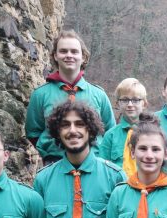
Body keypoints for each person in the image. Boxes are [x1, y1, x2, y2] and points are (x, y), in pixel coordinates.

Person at [26, 30, 115, 164]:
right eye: (63, 51)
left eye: (74, 51)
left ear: (83, 57)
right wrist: (49, 150)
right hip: (54, 162)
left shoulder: (99, 95)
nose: (69, 55)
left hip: (94, 163)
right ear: (55, 56)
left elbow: (110, 132)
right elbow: (33, 132)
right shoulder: (40, 95)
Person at [98, 78, 149, 175]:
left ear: (144, 104)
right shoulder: (110, 136)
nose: (130, 104)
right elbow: (102, 170)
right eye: (125, 100)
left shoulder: (153, 134)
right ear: (117, 104)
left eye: (135, 100)